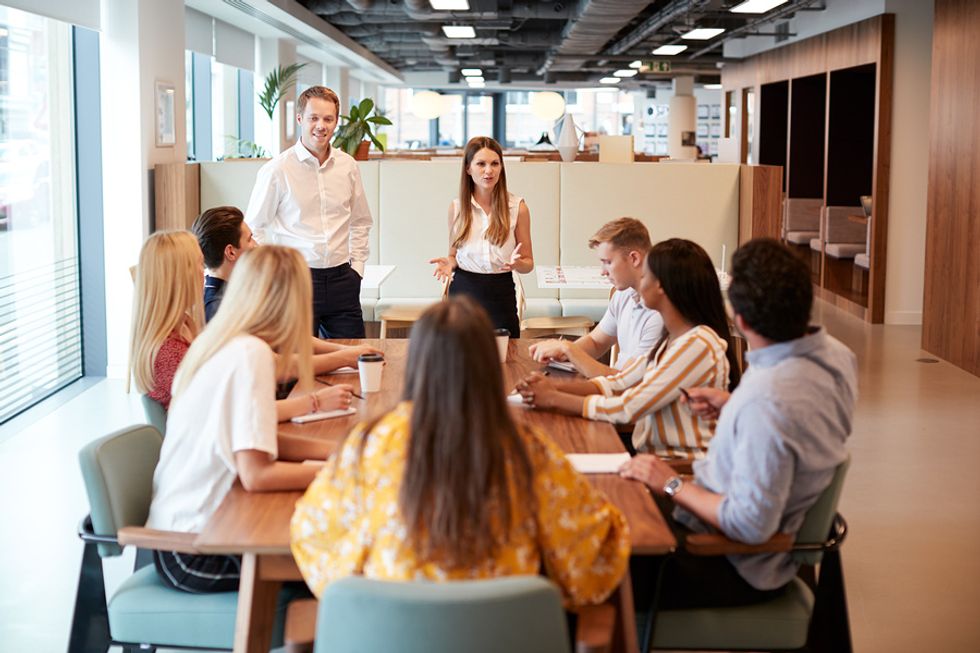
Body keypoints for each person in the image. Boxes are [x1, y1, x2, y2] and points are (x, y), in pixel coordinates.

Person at [290, 296, 630, 608]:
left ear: (416, 363)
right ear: (488, 364)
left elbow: (314, 538)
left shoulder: (372, 443)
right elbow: (592, 558)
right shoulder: (525, 448)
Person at [619, 238, 857, 612]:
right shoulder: (836, 357)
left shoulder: (765, 400)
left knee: (586, 569)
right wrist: (734, 406)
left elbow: (749, 526)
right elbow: (798, 421)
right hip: (734, 525)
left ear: (741, 322)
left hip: (728, 563)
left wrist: (668, 480)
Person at [146, 246, 353, 593]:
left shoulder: (223, 341)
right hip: (195, 549)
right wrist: (339, 473)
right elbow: (256, 474)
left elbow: (256, 439)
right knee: (343, 571)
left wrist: (338, 453)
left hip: (183, 536)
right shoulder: (249, 354)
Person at [517, 239, 740, 460]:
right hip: (653, 460)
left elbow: (629, 406)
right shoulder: (671, 340)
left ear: (661, 286)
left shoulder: (697, 344)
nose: (638, 284)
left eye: (644, 277)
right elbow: (621, 382)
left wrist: (553, 398)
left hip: (678, 468)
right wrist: (551, 386)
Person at [245, 86, 372, 339]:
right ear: (300, 118)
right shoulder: (277, 170)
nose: (321, 126)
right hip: (296, 280)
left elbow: (360, 221)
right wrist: (274, 274)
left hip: (342, 281)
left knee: (351, 361)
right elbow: (254, 228)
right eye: (314, 118)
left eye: (328, 119)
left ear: (336, 122)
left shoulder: (348, 166)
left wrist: (356, 269)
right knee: (299, 366)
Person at [192, 205, 382, 373]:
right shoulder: (217, 308)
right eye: (250, 240)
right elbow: (274, 366)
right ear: (231, 252)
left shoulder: (235, 292)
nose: (256, 245)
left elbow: (284, 337)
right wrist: (344, 358)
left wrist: (346, 351)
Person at [529, 217, 664, 378]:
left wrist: (567, 349)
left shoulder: (659, 313)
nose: (603, 271)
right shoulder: (623, 294)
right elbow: (596, 341)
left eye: (608, 262)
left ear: (634, 258)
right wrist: (562, 353)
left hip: (626, 393)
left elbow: (627, 381)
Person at [429, 136, 533, 337]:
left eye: (495, 163)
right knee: (461, 362)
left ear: (501, 167)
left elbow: (528, 263)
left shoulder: (518, 208)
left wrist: (517, 264)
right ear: (468, 168)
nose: (489, 170)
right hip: (463, 295)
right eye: (481, 164)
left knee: (505, 362)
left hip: (501, 294)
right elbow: (453, 255)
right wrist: (449, 263)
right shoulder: (457, 208)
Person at [127, 231, 204, 410]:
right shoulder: (171, 353)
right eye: (200, 264)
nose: (204, 271)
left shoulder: (183, 326)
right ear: (179, 277)